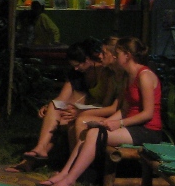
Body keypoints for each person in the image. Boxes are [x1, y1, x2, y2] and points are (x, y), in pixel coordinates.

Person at [38, 37, 162, 186]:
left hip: (148, 130)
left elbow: (148, 114)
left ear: (127, 55)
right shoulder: (127, 77)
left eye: (117, 54)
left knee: (94, 134)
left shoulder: (144, 75)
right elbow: (123, 110)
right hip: (132, 126)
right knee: (90, 131)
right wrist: (107, 122)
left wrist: (120, 124)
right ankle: (65, 173)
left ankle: (70, 180)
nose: (114, 58)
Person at [16, 38, 107, 166]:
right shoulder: (77, 73)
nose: (75, 69)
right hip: (81, 108)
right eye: (73, 65)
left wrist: (79, 110)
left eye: (78, 65)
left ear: (87, 59)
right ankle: (40, 148)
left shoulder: (103, 71)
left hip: (97, 110)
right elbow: (62, 98)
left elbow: (106, 103)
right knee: (54, 106)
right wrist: (49, 106)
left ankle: (31, 162)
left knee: (65, 120)